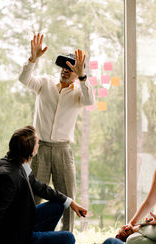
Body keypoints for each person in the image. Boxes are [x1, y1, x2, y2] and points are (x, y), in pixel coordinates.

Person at [19, 33, 95, 232]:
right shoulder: (44, 83)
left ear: (77, 72)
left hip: (63, 150)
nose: (65, 70)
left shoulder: (79, 93)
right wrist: (33, 60)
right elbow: (24, 79)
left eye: (71, 68)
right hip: (40, 148)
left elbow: (90, 101)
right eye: (64, 66)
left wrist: (83, 77)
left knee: (69, 197)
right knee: (33, 196)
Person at [0, 126, 88, 244]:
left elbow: (39, 186)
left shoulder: (16, 161)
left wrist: (71, 202)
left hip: (22, 221)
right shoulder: (7, 178)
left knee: (58, 205)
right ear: (32, 151)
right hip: (16, 238)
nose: (39, 145)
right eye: (37, 142)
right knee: (69, 238)